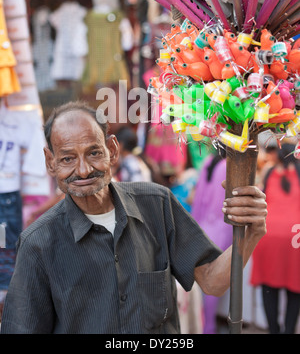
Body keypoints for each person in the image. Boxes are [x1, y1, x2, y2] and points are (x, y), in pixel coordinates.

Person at [1, 101, 267, 334]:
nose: (82, 171)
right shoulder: (38, 244)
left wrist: (250, 232)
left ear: (112, 150)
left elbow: (212, 280)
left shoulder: (157, 205)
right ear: (50, 162)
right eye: (68, 159)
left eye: (94, 153)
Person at [250, 142, 300, 334]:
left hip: (268, 236)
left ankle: (273, 330)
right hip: (295, 238)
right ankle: (289, 330)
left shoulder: (269, 173)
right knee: (295, 288)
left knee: (269, 287)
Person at [191, 150, 232, 334]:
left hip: (202, 226)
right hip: (221, 229)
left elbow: (198, 198)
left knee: (202, 280)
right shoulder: (227, 166)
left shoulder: (209, 162)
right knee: (215, 281)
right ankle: (208, 328)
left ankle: (202, 325)